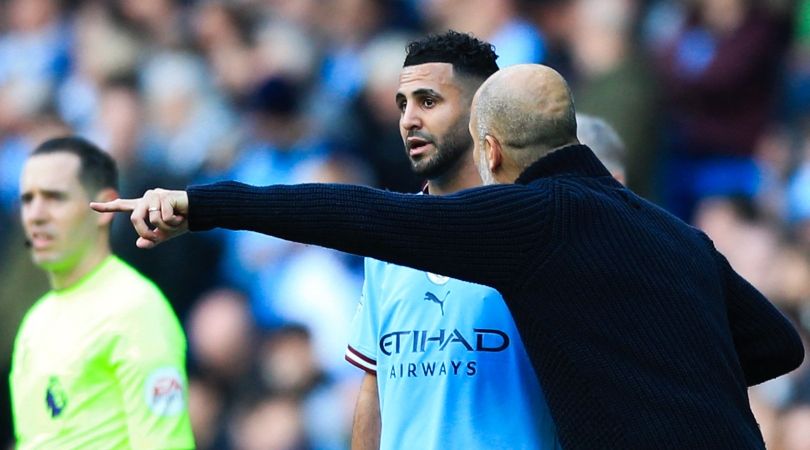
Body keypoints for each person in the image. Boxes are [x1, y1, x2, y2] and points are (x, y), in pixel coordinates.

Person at [94, 64, 804, 449]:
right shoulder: (673, 232)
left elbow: (363, 215)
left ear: (490, 149)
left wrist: (206, 206)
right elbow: (775, 345)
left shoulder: (532, 218)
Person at [344, 31, 559, 449]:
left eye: (428, 101)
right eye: (402, 104)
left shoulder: (535, 233)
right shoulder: (389, 242)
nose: (408, 119)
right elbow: (374, 389)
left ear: (481, 113)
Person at [13, 136, 194, 449]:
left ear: (105, 207)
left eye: (55, 197)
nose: (36, 214)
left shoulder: (136, 310)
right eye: (28, 199)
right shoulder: (36, 318)